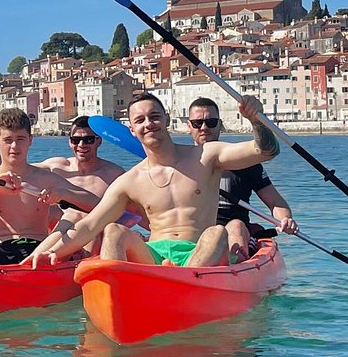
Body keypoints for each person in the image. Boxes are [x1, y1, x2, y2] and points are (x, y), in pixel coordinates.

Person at [24, 92, 280, 268]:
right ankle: (117, 298)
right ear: (132, 130)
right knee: (114, 230)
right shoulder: (130, 181)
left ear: (166, 119)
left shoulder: (206, 155)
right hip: (155, 255)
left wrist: (256, 120)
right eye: (140, 120)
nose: (149, 123)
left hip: (199, 251)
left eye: (154, 116)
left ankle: (183, 286)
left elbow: (266, 151)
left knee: (216, 232)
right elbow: (90, 225)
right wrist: (52, 254)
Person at [0, 107, 101, 264]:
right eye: (8, 140)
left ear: (30, 140)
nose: (14, 146)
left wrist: (62, 194)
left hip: (41, 250)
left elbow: (96, 205)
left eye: (20, 139)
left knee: (77, 216)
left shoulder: (45, 177)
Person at [187, 97, 298, 262]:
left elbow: (275, 201)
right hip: (194, 232)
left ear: (220, 124)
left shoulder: (245, 162)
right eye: (197, 123)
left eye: (211, 122)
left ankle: (234, 266)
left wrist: (285, 219)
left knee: (236, 226)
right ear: (188, 126)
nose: (204, 128)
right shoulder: (179, 163)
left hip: (234, 230)